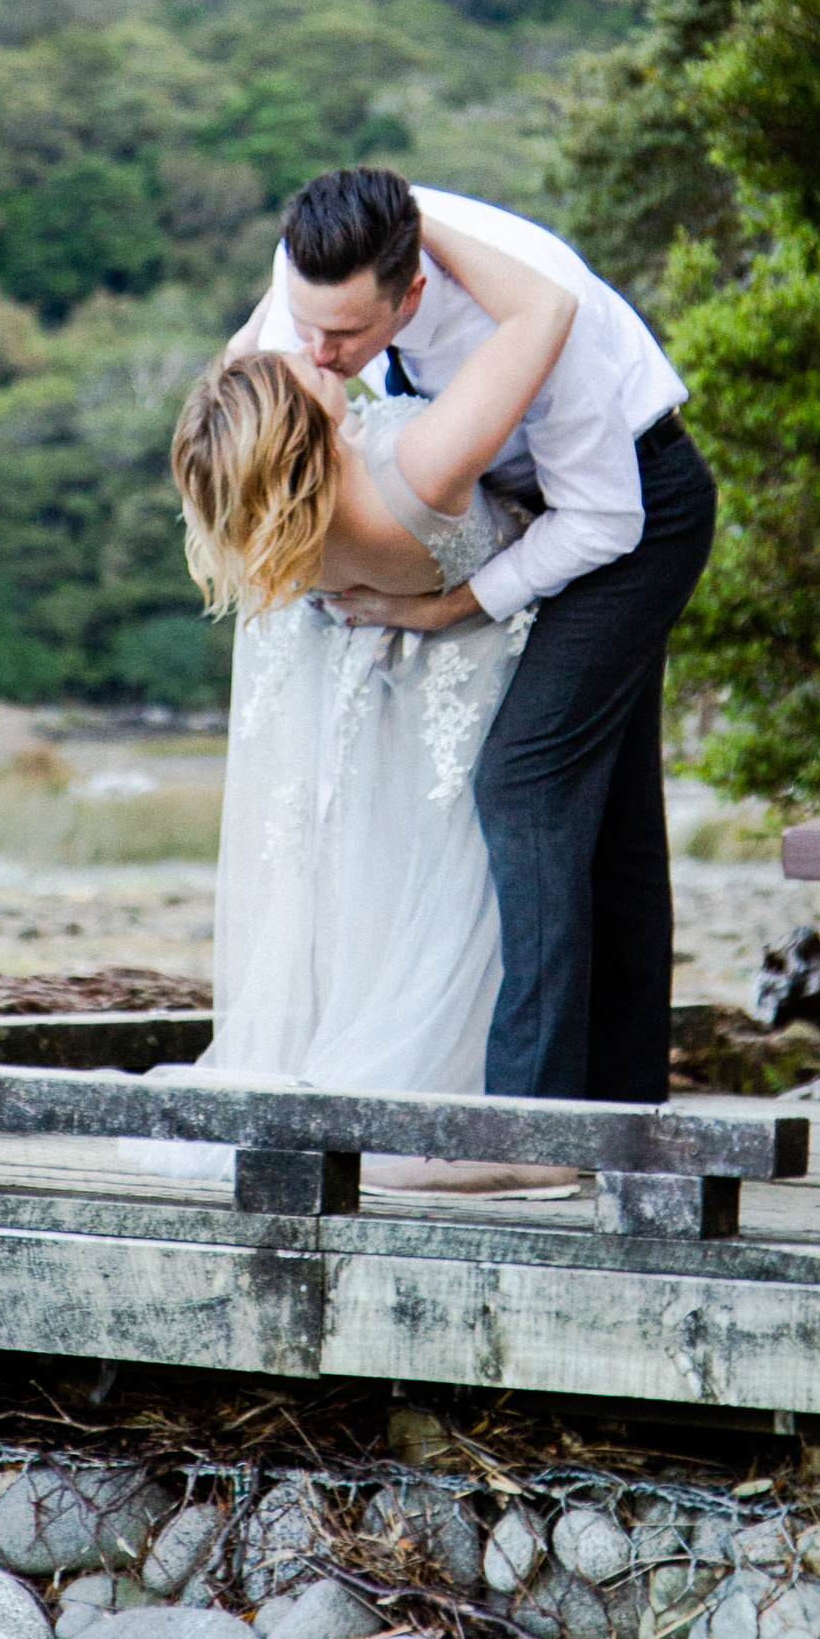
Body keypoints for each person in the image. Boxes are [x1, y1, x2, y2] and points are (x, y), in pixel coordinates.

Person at [252, 168, 713, 1105]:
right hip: (523, 511)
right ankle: (620, 1107)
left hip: (635, 515)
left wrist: (446, 607)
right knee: (613, 819)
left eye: (343, 335)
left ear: (412, 293)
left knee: (524, 782)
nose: (317, 348)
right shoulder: (319, 273)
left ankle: (524, 1121)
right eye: (306, 322)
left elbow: (603, 522)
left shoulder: (539, 311)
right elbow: (262, 398)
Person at [168, 208, 576, 1096]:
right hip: (479, 695)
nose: (312, 354)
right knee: (464, 900)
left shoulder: (274, 532)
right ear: (299, 431)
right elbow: (544, 310)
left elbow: (254, 357)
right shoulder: (418, 471)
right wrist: (416, 222)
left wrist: (315, 263)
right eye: (298, 364)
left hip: (400, 716)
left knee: (374, 885)